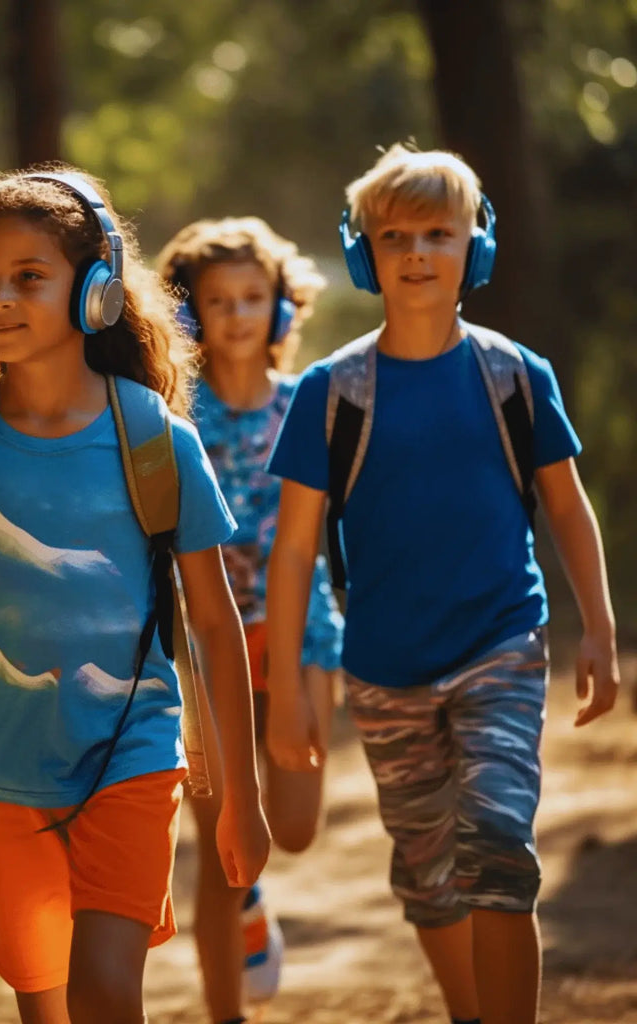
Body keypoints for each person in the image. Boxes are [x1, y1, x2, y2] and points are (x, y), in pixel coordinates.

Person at [0, 167, 271, 1024]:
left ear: (96, 292)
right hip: (3, 766)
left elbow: (216, 628)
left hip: (133, 752)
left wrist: (242, 799)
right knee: (44, 1005)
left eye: (29, 277)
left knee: (105, 990)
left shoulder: (154, 437)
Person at [266, 143, 619, 1024]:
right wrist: (282, 690)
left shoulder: (514, 376)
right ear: (364, 255)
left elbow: (568, 511)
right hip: (384, 668)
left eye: (438, 233)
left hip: (500, 642)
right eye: (395, 236)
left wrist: (603, 632)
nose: (417, 252)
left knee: (498, 848)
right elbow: (294, 548)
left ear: (476, 248)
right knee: (429, 874)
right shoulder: (331, 392)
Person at [157, 217, 343, 1022]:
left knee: (294, 828)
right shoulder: (168, 413)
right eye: (217, 300)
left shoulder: (310, 404)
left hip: (300, 634)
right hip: (203, 646)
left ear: (281, 307)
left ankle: (256, 889)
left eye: (254, 297)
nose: (237, 314)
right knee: (221, 852)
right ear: (188, 314)